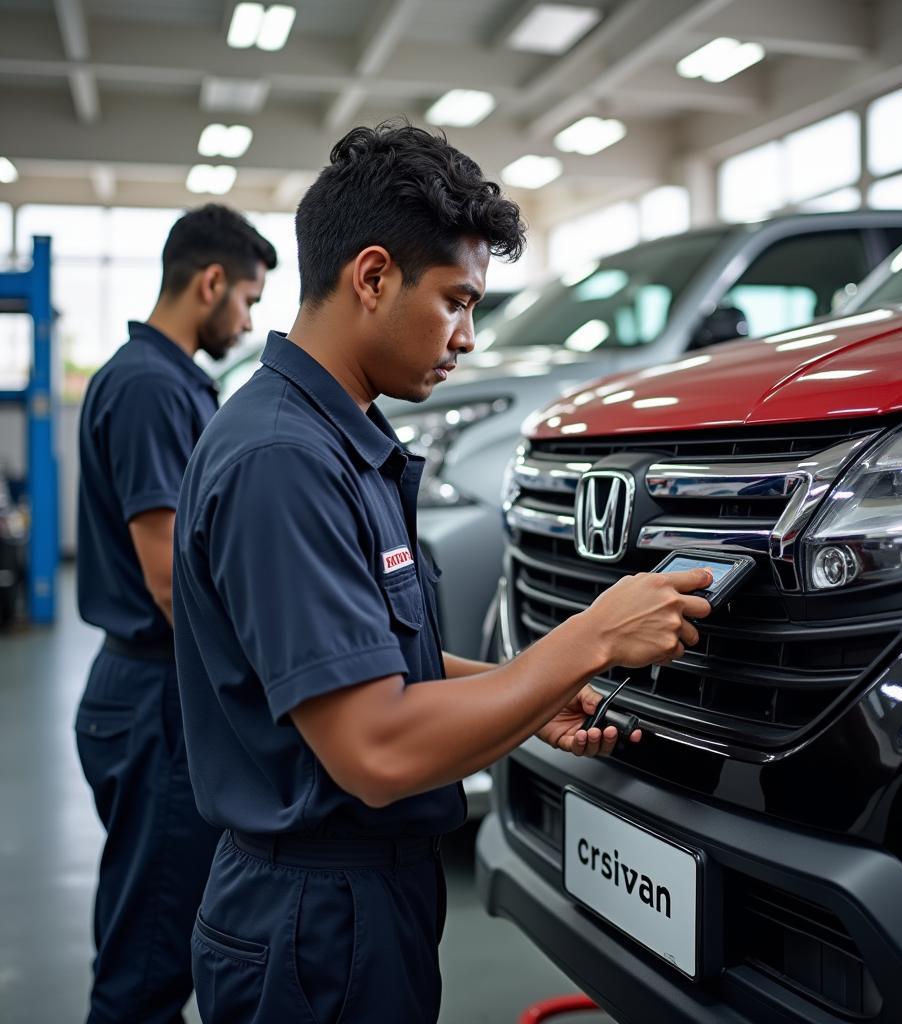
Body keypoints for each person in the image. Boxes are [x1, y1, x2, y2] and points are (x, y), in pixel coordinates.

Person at [172, 123, 712, 1024]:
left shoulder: (341, 440)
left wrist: (529, 690)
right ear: (373, 275)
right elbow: (377, 748)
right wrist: (591, 637)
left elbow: (380, 665)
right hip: (315, 925)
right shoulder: (284, 461)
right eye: (457, 301)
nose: (466, 336)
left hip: (356, 904)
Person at [74, 204, 277, 1024]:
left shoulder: (153, 377)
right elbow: (167, 579)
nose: (249, 319)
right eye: (250, 300)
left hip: (143, 691)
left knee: (148, 930)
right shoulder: (153, 386)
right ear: (211, 281)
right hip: (156, 697)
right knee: (149, 962)